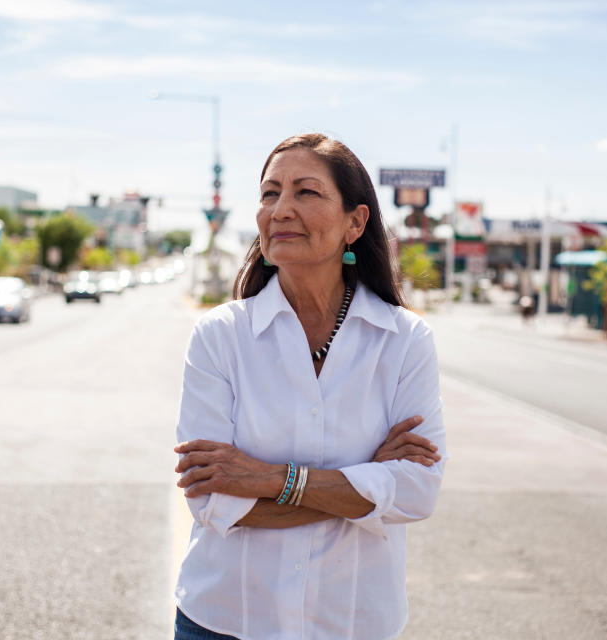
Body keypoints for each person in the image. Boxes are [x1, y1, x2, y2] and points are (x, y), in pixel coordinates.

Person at [173, 133, 446, 640]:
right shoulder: (220, 337)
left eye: (306, 193)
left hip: (352, 622)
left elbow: (416, 491)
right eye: (270, 193)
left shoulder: (404, 341)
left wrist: (267, 478)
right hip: (226, 619)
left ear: (355, 222)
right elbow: (211, 500)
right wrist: (361, 488)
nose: (280, 210)